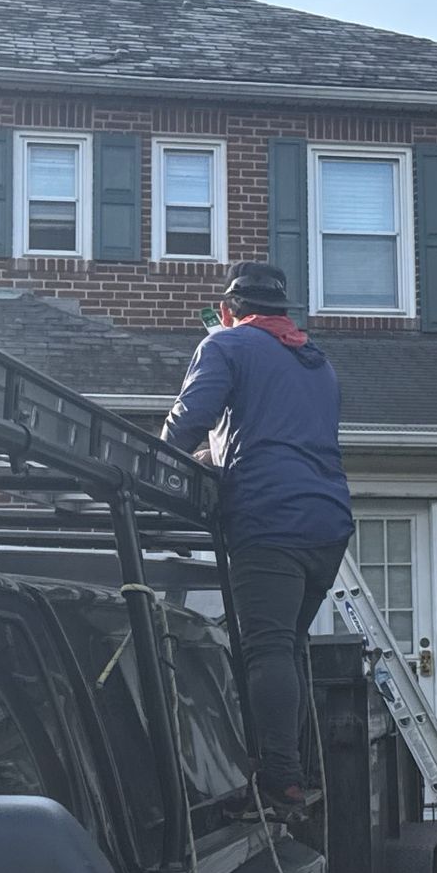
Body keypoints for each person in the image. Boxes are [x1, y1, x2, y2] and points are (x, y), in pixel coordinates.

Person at [162, 261, 353, 817]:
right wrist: (215, 454)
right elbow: (273, 435)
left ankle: (279, 779)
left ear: (228, 310)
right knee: (287, 647)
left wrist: (154, 467)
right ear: (282, 310)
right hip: (327, 523)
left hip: (271, 520)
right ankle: (289, 772)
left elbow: (187, 421)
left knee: (266, 649)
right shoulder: (316, 362)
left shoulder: (226, 344)